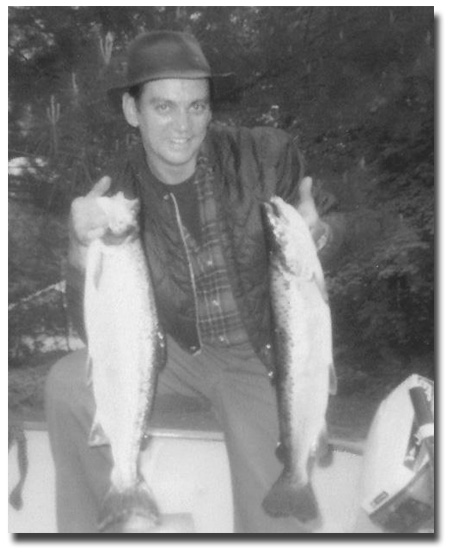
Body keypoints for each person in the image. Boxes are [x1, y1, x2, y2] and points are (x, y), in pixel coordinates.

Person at [45, 30, 344, 534]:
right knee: (67, 385)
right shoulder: (113, 195)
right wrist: (79, 250)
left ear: (210, 109)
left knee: (280, 516)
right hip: (166, 352)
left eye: (197, 107)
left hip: (259, 354)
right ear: (131, 110)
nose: (183, 125)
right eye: (163, 107)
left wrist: (323, 232)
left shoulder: (266, 156)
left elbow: (346, 222)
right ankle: (109, 523)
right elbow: (93, 330)